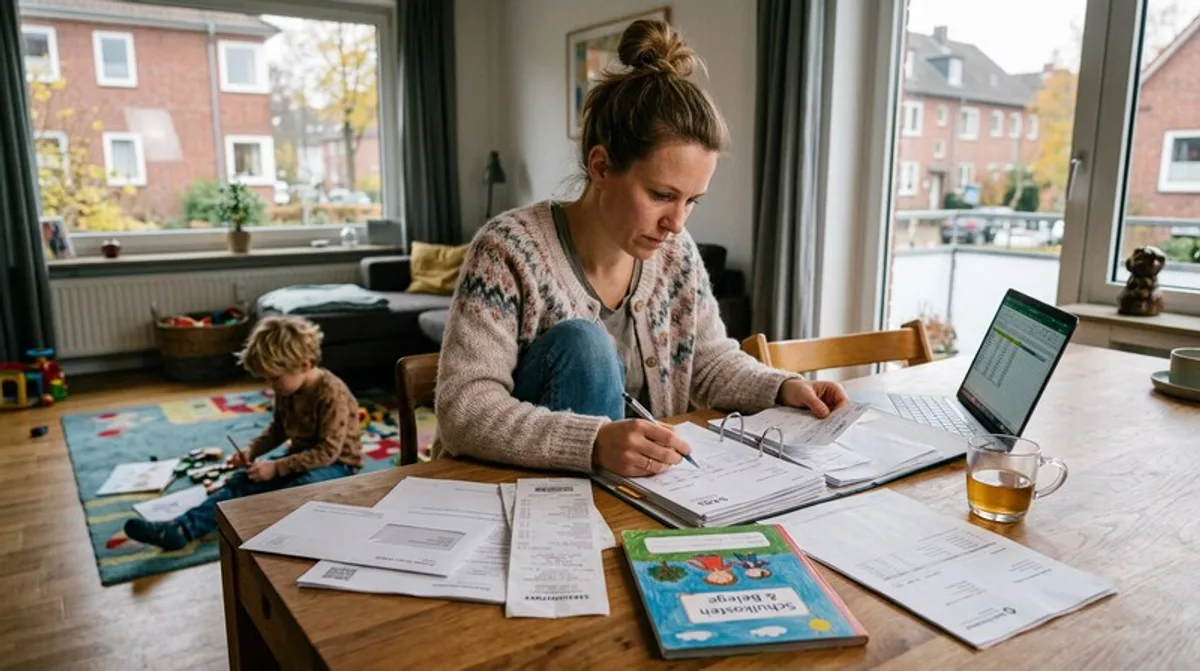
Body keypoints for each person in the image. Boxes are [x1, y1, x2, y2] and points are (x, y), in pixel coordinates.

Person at [434, 19, 848, 478]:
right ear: (601, 166)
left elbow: (708, 361)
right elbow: (464, 408)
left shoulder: (677, 255)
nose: (676, 223)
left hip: (636, 492)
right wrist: (591, 442)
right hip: (515, 492)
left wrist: (782, 387)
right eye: (662, 195)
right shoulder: (506, 250)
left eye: (692, 201)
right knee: (586, 345)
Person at [124, 316, 363, 550]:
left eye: (274, 378)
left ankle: (272, 534)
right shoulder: (287, 388)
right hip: (300, 458)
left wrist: (277, 467)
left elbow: (327, 452)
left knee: (296, 488)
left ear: (304, 364)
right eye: (266, 378)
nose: (270, 385)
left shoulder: (331, 394)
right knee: (244, 480)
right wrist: (252, 450)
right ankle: (182, 529)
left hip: (339, 466)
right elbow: (279, 429)